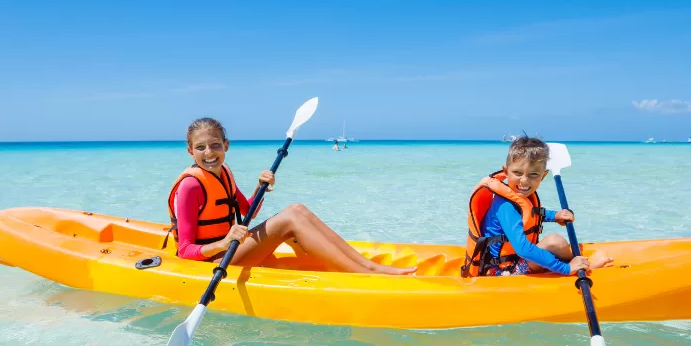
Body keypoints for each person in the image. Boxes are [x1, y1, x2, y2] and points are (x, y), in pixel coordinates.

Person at [166, 117, 415, 275]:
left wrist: (260, 187)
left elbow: (247, 210)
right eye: (200, 147)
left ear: (226, 145)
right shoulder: (190, 186)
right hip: (210, 264)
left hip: (231, 249)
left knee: (298, 210)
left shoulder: (224, 172)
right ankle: (366, 274)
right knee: (290, 219)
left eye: (215, 145)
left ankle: (368, 266)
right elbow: (185, 251)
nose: (209, 152)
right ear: (190, 151)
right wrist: (222, 244)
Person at [461, 136, 613, 277]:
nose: (524, 181)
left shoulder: (517, 198)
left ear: (543, 176)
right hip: (501, 272)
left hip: (514, 261)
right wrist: (565, 269)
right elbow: (523, 249)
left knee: (555, 243)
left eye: (533, 174)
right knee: (554, 241)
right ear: (506, 171)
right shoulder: (506, 206)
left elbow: (531, 213)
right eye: (517, 172)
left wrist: (554, 215)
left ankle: (578, 262)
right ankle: (582, 265)